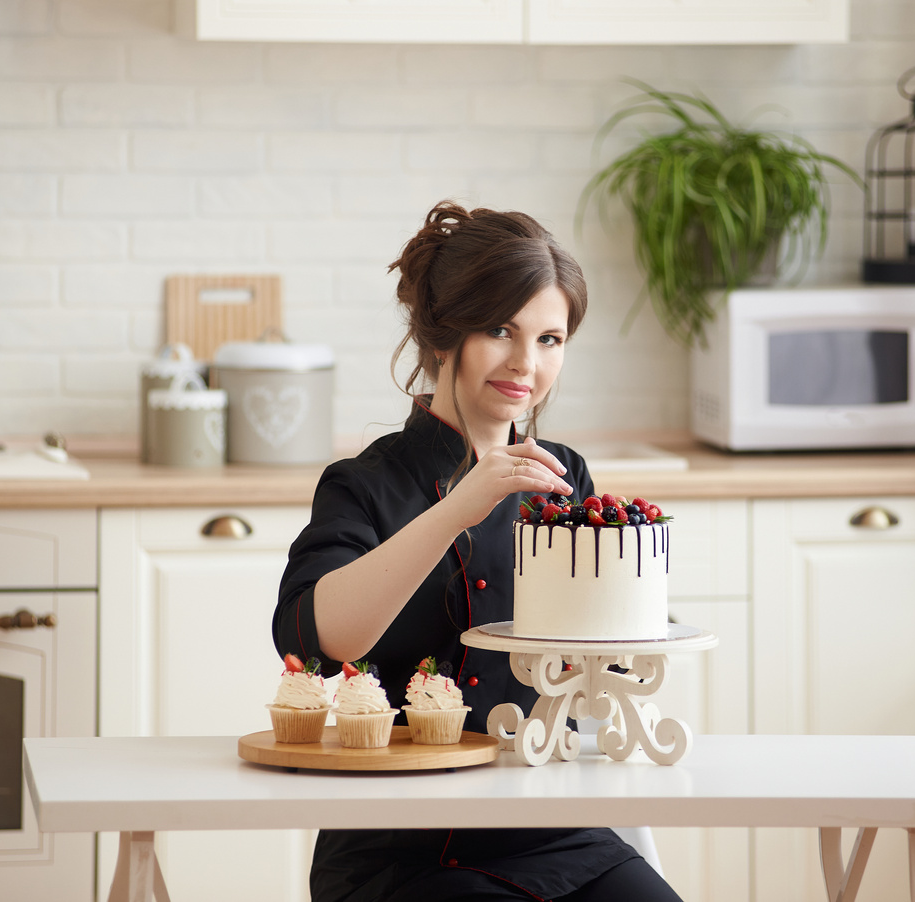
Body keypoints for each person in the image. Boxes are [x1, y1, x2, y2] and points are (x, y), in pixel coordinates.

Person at [273, 201, 684, 902]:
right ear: (442, 336)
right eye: (501, 330)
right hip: (402, 851)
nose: (528, 363)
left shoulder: (564, 481)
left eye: (551, 339)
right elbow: (319, 640)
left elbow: (595, 653)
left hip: (552, 829)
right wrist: (459, 507)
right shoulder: (364, 485)